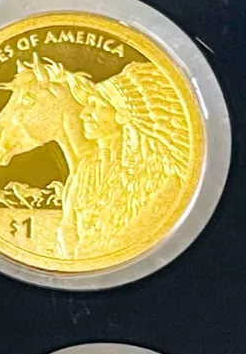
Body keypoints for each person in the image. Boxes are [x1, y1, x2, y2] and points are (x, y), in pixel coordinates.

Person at [57, 61, 191, 260]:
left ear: (122, 114)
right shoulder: (87, 170)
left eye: (96, 105)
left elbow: (134, 236)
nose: (84, 114)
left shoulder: (160, 175)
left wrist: (89, 259)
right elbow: (67, 227)